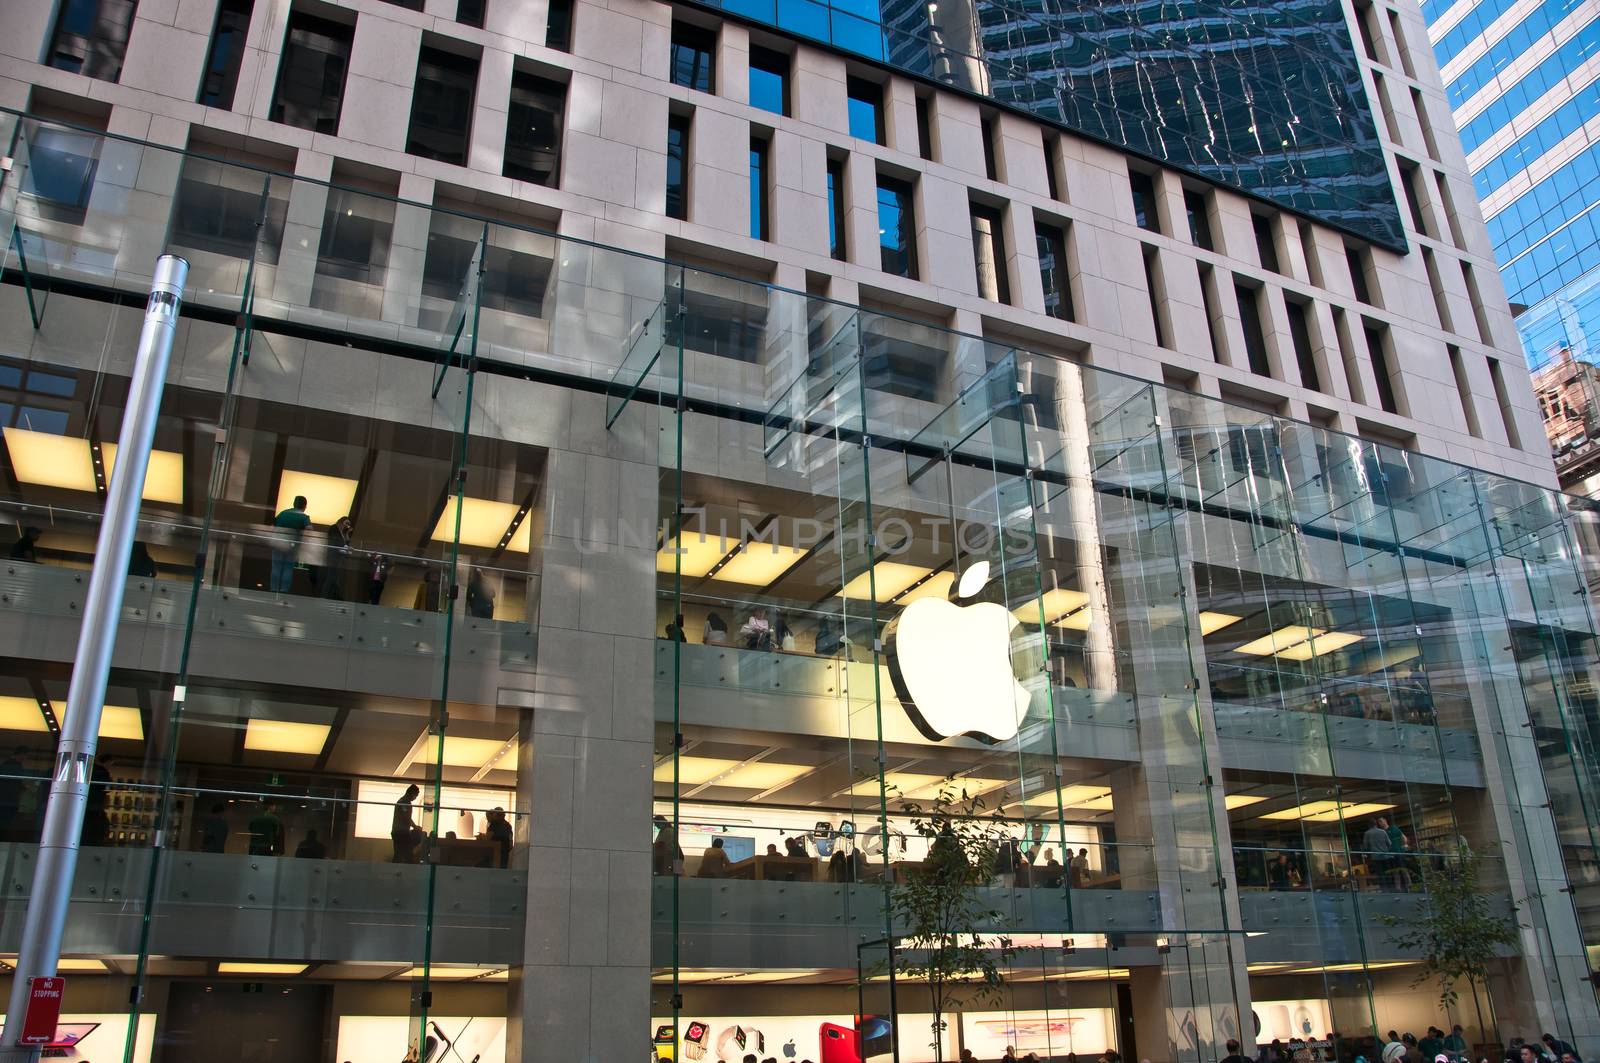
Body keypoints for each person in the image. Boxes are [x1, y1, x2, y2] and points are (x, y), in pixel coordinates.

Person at [270, 495, 311, 593]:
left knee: (276, 567)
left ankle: (273, 589)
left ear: (294, 504)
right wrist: (303, 542)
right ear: (304, 506)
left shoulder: (283, 513)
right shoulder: (304, 517)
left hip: (278, 544)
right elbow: (309, 530)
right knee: (288, 568)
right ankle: (284, 591)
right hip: (292, 546)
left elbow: (272, 526)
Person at [392, 783, 421, 862]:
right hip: (401, 833)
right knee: (406, 854)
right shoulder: (404, 802)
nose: (415, 797)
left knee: (399, 854)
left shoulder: (402, 801)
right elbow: (406, 817)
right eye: (416, 795)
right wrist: (416, 827)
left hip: (399, 832)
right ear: (411, 793)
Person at [1362, 817, 1393, 889]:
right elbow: (1389, 843)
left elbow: (1365, 846)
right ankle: (1391, 888)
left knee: (1380, 875)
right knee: (1388, 874)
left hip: (1376, 857)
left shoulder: (1367, 833)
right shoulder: (1383, 832)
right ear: (1376, 824)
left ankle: (1384, 889)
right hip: (1386, 856)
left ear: (1369, 825)